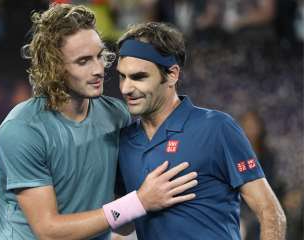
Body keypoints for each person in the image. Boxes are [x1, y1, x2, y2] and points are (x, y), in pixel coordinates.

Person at [0, 3, 198, 240]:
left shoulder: (118, 116)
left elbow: (123, 222)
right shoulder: (21, 130)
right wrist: (139, 202)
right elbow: (49, 233)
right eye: (83, 61)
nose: (99, 69)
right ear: (53, 67)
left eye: (100, 56)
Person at [115, 22, 286, 240]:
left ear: (172, 75)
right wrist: (140, 201)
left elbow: (271, 212)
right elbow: (124, 228)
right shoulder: (125, 141)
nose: (126, 88)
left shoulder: (217, 128)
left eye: (139, 77)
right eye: (122, 76)